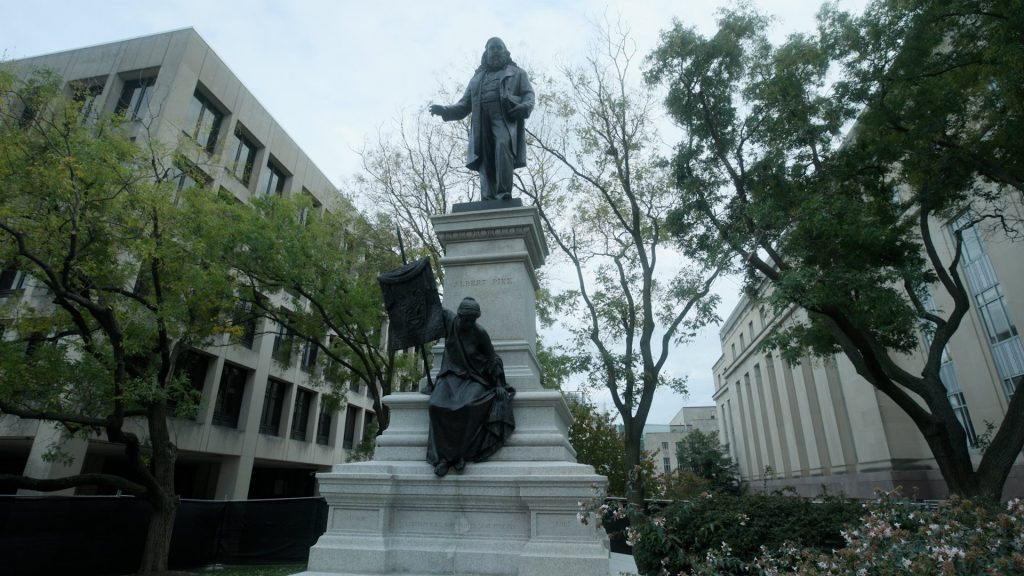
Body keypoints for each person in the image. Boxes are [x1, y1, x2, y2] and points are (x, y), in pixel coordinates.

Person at [429, 37, 535, 201]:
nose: (495, 52)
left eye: (499, 48)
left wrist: (525, 106)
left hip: (504, 119)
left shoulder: (518, 73)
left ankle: (503, 192)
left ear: (506, 53)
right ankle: (488, 196)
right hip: (481, 121)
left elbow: (528, 94)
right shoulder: (476, 79)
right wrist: (445, 111)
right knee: (484, 156)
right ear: (486, 54)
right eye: (491, 49)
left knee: (502, 146)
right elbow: (464, 105)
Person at [425, 297, 515, 477]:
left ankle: (460, 455)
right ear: (458, 315)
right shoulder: (449, 321)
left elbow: (492, 358)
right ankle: (443, 458)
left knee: (468, 406)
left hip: (475, 377)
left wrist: (498, 384)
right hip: (450, 375)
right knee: (435, 405)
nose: (468, 323)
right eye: (465, 319)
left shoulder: (479, 333)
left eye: (472, 320)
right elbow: (431, 305)